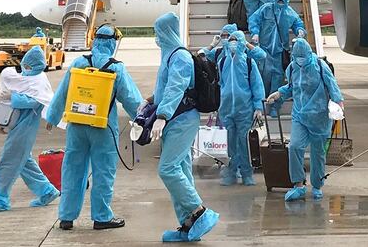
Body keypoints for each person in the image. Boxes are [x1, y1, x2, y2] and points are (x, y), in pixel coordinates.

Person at [45, 25, 143, 231]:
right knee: (103, 172)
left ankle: (66, 217)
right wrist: (144, 120)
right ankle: (101, 217)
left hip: (77, 126)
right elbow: (131, 100)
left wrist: (52, 118)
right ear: (112, 43)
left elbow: (63, 92)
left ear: (95, 41)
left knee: (72, 169)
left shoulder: (79, 63)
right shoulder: (116, 67)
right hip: (103, 127)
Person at [147, 13, 220, 242]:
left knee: (167, 169)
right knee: (181, 170)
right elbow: (166, 86)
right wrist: (150, 101)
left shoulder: (179, 57)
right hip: (175, 121)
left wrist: (162, 115)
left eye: (158, 33)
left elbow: (176, 88)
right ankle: (187, 225)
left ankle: (199, 212)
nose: (156, 38)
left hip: (181, 120)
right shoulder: (169, 55)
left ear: (166, 32)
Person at [0, 46, 60, 213]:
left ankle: (0, 198)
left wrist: (12, 97)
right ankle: (47, 191)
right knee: (24, 161)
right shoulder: (29, 80)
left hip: (24, 129)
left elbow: (33, 101)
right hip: (19, 128)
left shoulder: (37, 83)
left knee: (8, 162)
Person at [266, 38, 343, 201]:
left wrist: (339, 104)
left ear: (309, 54)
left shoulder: (320, 67)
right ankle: (298, 184)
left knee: (318, 153)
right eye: (297, 57)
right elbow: (291, 87)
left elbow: (332, 85)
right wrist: (279, 93)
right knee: (294, 146)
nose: (300, 60)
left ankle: (317, 185)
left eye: (302, 57)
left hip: (319, 117)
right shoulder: (293, 67)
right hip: (300, 115)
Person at [217, 31, 266, 186]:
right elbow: (221, 85)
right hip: (227, 109)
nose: (232, 43)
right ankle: (231, 172)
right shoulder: (222, 62)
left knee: (244, 143)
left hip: (245, 109)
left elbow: (257, 86)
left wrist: (258, 107)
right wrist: (218, 106)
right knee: (230, 143)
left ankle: (246, 173)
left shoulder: (249, 63)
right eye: (230, 40)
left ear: (242, 43)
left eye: (235, 40)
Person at [248, 0, 306, 115]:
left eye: (282, 1)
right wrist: (255, 32)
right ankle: (260, 105)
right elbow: (254, 19)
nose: (280, 4)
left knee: (278, 78)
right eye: (278, 1)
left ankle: (275, 107)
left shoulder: (290, 13)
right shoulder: (266, 9)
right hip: (265, 50)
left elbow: (298, 24)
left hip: (280, 52)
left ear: (287, 1)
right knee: (263, 77)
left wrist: (300, 31)